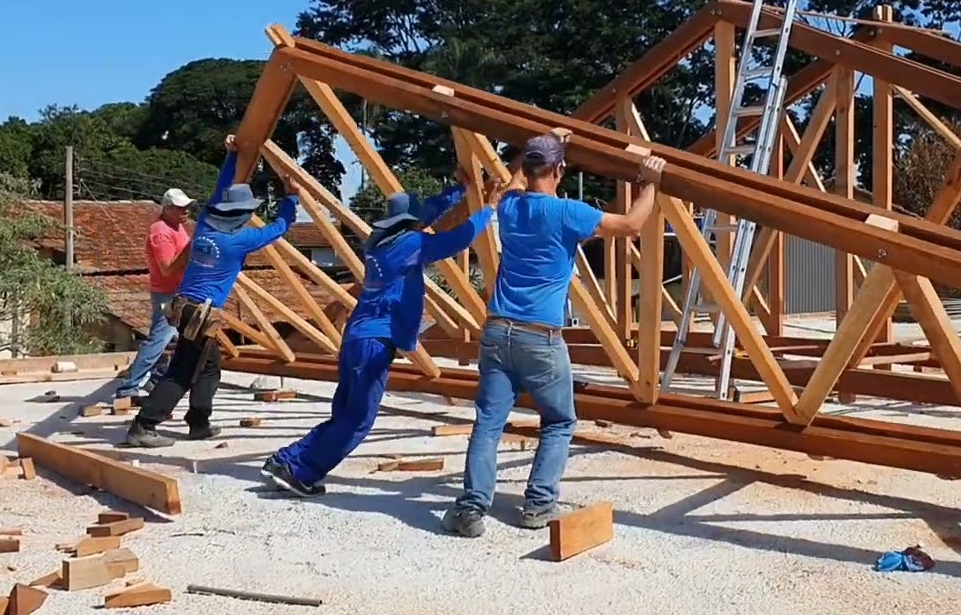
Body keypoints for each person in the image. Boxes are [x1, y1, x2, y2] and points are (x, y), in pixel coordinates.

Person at [442, 128, 665, 538]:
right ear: (560, 170)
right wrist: (650, 183)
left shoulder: (508, 207)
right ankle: (538, 505)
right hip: (540, 337)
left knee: (489, 423)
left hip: (496, 330)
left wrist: (541, 148)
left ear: (526, 169)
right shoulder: (568, 213)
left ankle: (471, 510)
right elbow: (632, 224)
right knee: (559, 420)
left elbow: (513, 184)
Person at [261, 171, 500, 496]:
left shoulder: (380, 240)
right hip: (375, 342)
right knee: (358, 420)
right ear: (411, 224)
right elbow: (458, 239)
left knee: (345, 412)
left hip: (357, 337)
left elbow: (428, 211)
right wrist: (491, 207)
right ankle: (302, 472)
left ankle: (286, 459)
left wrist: (462, 189)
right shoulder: (411, 245)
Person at [124, 134, 301, 448]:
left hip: (185, 306)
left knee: (209, 363)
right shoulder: (239, 241)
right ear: (242, 216)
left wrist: (232, 156)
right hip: (201, 314)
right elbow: (280, 228)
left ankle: (198, 421)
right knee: (182, 370)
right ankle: (145, 424)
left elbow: (222, 188)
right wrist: (291, 197)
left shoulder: (205, 223)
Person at [114, 187, 195, 400]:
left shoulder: (177, 227)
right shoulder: (161, 232)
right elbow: (167, 267)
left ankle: (154, 379)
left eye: (187, 208)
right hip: (167, 294)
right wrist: (190, 252)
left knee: (180, 340)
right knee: (159, 339)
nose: (185, 212)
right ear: (167, 209)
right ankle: (128, 387)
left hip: (177, 292)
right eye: (180, 208)